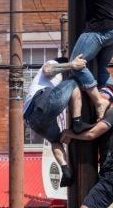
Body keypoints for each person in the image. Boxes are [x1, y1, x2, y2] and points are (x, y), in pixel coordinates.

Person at [23, 54, 86, 187]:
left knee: (55, 140)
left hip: (32, 120)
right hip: (40, 104)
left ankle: (66, 170)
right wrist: (71, 65)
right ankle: (78, 124)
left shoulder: (45, 84)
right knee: (73, 83)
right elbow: (47, 69)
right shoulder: (52, 64)